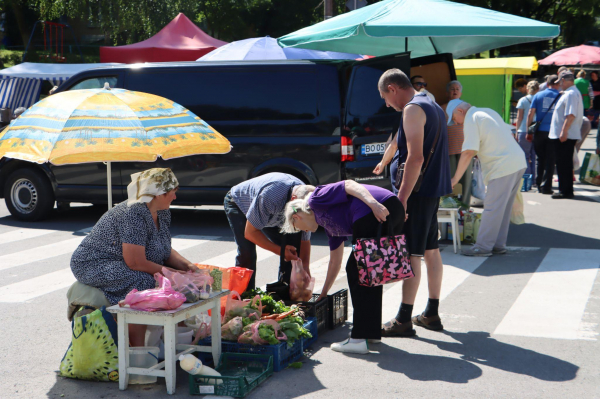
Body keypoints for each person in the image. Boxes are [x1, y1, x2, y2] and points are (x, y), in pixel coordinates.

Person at [70, 168, 194, 346]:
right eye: (172, 193)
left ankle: (171, 345)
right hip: (94, 263)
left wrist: (188, 267)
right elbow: (135, 262)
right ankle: (137, 351)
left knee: (176, 284)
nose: (175, 197)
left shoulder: (163, 212)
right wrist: (172, 274)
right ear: (158, 194)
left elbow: (164, 249)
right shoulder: (133, 213)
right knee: (143, 282)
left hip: (122, 260)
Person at [375, 69, 452, 336]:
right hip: (432, 189)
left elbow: (416, 158)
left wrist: (402, 199)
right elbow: (403, 143)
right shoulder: (432, 104)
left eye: (385, 97)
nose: (387, 103)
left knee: (412, 254)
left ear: (393, 88)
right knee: (431, 250)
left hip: (418, 193)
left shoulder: (412, 109)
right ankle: (431, 312)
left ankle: (403, 320)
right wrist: (386, 159)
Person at [281, 180, 396, 354]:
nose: (303, 231)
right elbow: (335, 261)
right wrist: (324, 292)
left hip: (376, 208)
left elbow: (349, 184)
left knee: (357, 271)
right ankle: (370, 332)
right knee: (370, 272)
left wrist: (373, 204)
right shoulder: (330, 226)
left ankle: (358, 339)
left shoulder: (315, 199)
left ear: (296, 217)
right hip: (389, 207)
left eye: (297, 227)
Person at [449, 102, 526, 257]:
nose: (457, 123)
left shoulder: (471, 119)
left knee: (492, 208)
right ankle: (498, 244)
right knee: (502, 208)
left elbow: (468, 152)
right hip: (517, 161)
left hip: (502, 166)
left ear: (459, 110)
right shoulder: (487, 110)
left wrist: (454, 179)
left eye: (455, 119)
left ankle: (483, 247)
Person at [224, 173, 314, 289]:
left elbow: (304, 239)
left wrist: (304, 268)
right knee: (247, 252)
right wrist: (281, 251)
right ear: (293, 201)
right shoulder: (270, 196)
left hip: (270, 213)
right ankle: (244, 296)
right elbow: (250, 233)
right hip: (240, 204)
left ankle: (286, 292)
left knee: (293, 248)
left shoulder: (307, 201)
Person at [549, 70, 584, 199]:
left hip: (566, 135)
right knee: (564, 163)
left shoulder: (571, 94)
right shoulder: (571, 93)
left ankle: (565, 191)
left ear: (563, 80)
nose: (559, 85)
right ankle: (565, 190)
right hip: (566, 134)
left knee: (563, 164)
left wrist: (564, 131)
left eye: (560, 82)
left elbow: (570, 115)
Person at [527, 74, 560, 194]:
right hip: (554, 131)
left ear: (547, 84)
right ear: (557, 84)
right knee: (551, 160)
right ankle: (547, 187)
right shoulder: (560, 96)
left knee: (539, 158)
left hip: (540, 131)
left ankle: (538, 183)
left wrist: (528, 130)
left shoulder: (538, 95)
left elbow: (531, 113)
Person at [516, 80, 539, 182]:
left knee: (524, 156)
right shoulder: (540, 99)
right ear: (538, 89)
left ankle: (526, 180)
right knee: (535, 157)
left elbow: (519, 117)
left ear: (527, 89)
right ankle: (534, 179)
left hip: (524, 130)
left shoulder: (523, 100)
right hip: (537, 130)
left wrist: (517, 131)